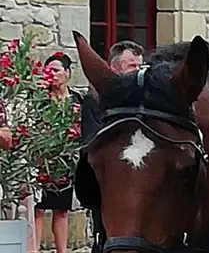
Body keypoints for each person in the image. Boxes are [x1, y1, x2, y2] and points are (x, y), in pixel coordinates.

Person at [78, 41, 144, 253]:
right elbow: (92, 141)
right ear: (114, 67)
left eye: (140, 66)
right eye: (132, 65)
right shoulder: (94, 101)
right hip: (109, 182)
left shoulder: (145, 101)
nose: (138, 71)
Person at [35, 53, 83, 253]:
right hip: (40, 159)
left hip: (65, 161)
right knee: (37, 209)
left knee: (61, 210)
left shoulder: (76, 99)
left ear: (67, 73)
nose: (51, 74)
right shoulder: (39, 98)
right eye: (48, 70)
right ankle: (33, 250)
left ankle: (62, 251)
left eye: (56, 70)